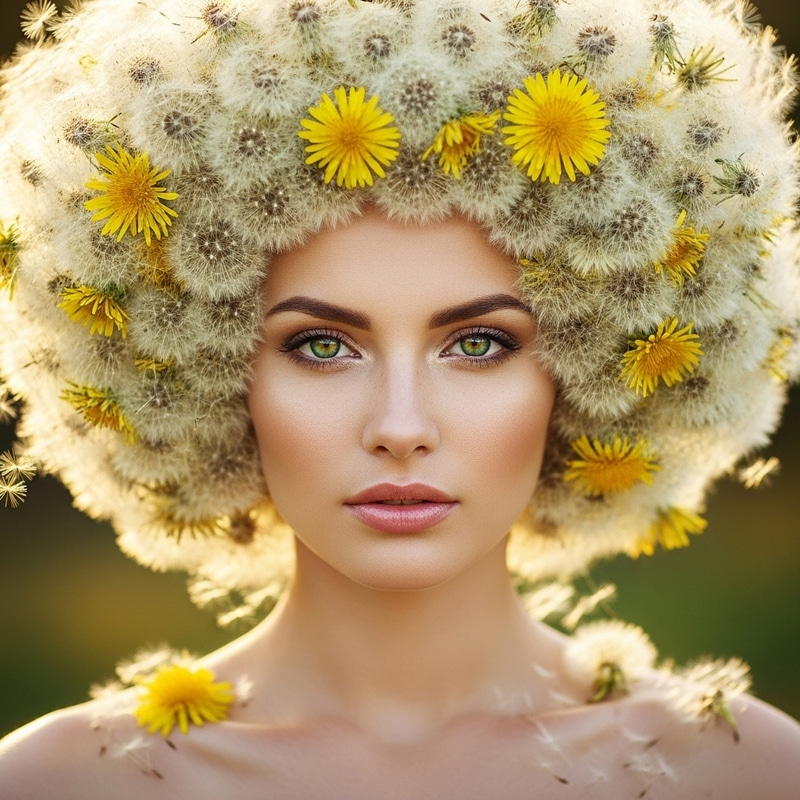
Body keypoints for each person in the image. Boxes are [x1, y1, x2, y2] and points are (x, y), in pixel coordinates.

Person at [0, 0, 799, 796]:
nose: (401, 428)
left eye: (480, 345)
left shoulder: (745, 771)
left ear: (594, 366)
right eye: (322, 347)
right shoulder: (54, 782)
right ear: (202, 369)